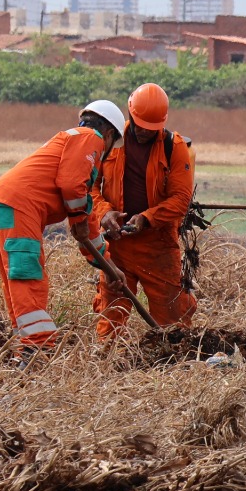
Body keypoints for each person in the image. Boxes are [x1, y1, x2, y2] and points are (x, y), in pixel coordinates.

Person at [0, 100, 125, 359]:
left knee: (16, 278)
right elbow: (72, 188)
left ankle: (25, 347)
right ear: (110, 133)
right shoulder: (90, 138)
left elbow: (86, 219)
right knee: (27, 274)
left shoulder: (72, 143)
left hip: (3, 203)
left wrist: (108, 265)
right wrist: (79, 218)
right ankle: (37, 350)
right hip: (19, 206)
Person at [91, 82, 197, 339]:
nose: (141, 133)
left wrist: (147, 219)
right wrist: (105, 213)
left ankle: (174, 370)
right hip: (116, 246)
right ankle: (106, 367)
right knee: (110, 320)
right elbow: (89, 188)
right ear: (129, 115)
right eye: (138, 126)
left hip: (158, 247)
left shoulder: (175, 147)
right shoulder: (108, 141)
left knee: (174, 323)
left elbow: (180, 200)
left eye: (149, 130)